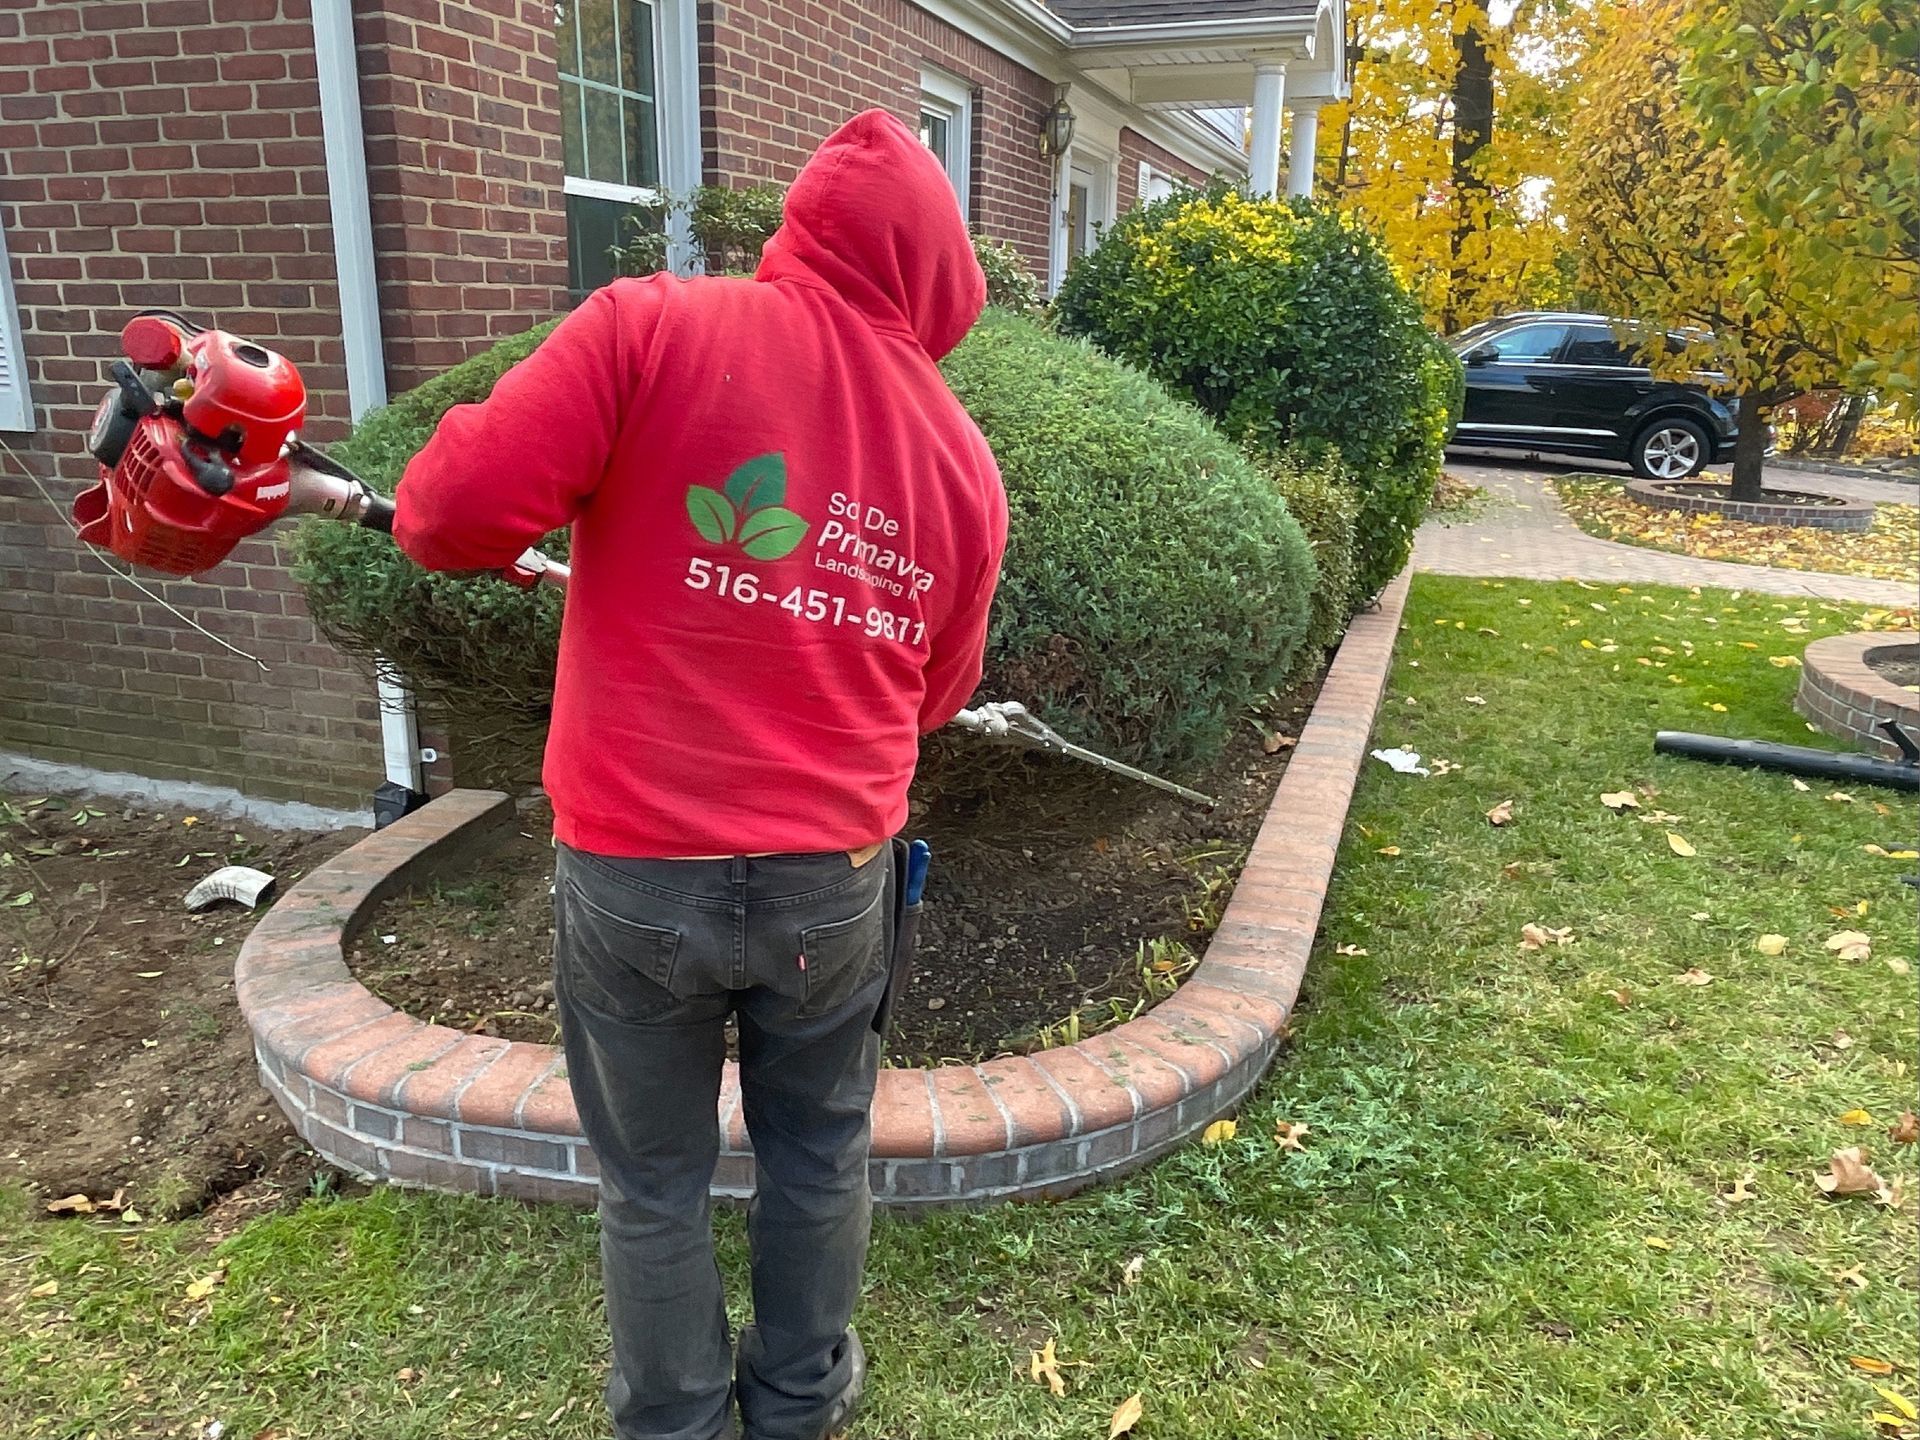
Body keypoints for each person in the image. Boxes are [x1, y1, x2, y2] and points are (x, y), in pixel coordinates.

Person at [390, 109, 1007, 1440]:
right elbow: (939, 695)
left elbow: (443, 515)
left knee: (653, 1182)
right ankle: (797, 1404)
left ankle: (672, 1420)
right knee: (818, 1156)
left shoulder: (648, 327)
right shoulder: (963, 463)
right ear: (936, 274)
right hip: (831, 885)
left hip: (634, 875)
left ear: (803, 230)